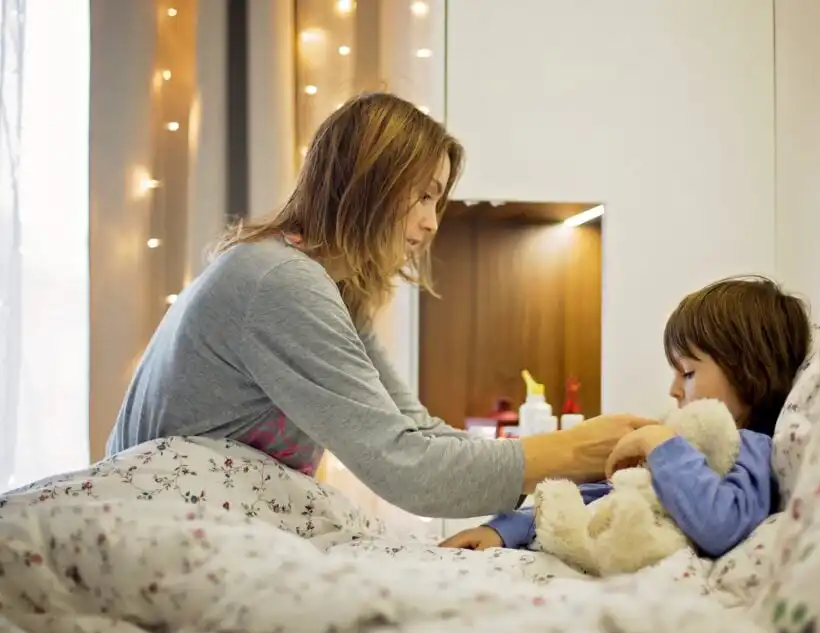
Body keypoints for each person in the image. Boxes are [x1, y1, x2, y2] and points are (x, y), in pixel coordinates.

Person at [106, 92, 654, 519]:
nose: (432, 222)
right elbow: (407, 469)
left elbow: (413, 432)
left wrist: (561, 450)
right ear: (368, 183)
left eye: (437, 201)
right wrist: (574, 451)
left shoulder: (326, 287)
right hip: (157, 522)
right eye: (422, 195)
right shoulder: (278, 281)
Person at [440, 276, 811, 558]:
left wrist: (661, 444)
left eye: (687, 372)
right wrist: (506, 530)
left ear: (749, 374)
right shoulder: (681, 447)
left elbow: (722, 527)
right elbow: (600, 494)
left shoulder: (752, 450)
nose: (674, 390)